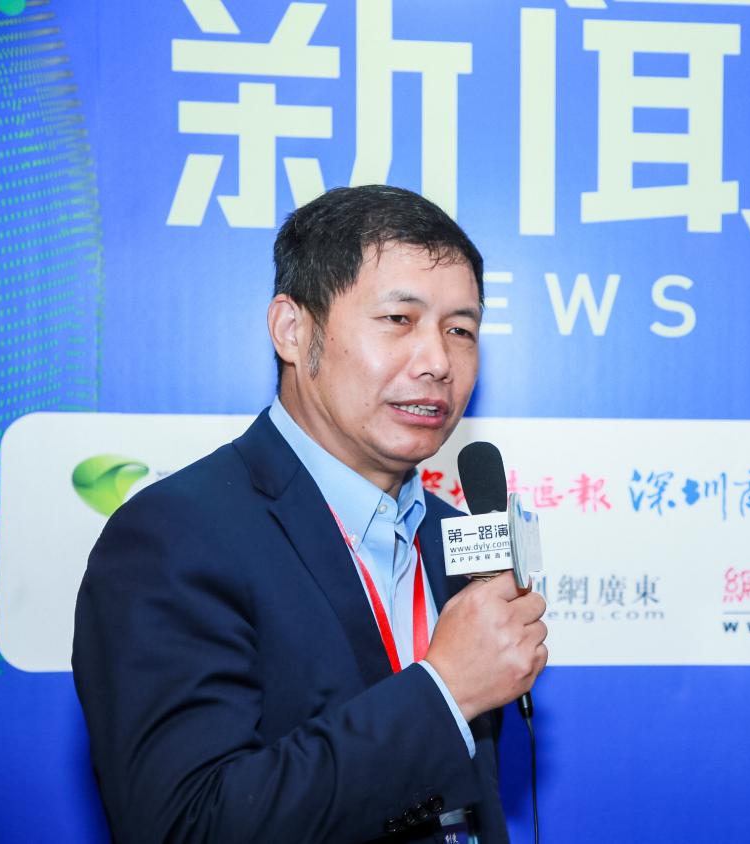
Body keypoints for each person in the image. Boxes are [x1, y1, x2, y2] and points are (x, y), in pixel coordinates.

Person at [72, 185, 547, 844]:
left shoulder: (450, 536)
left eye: (460, 330)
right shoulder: (174, 537)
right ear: (293, 330)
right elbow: (186, 824)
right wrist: (444, 691)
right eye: (398, 319)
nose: (438, 362)